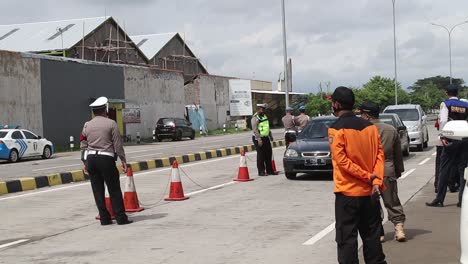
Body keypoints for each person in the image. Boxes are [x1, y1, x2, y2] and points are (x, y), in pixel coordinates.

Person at [328, 87, 386, 264]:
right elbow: (379, 156)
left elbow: (342, 162)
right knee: (372, 237)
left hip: (348, 194)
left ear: (336, 104)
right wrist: (375, 179)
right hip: (370, 193)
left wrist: (367, 176)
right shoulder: (370, 127)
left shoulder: (335, 129)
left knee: (347, 239)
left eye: (332, 102)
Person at [80, 96, 132, 225]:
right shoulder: (111, 123)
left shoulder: (87, 125)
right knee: (114, 189)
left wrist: (85, 162)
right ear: (105, 110)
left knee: (97, 190)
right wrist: (123, 160)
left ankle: (104, 218)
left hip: (91, 159)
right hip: (106, 159)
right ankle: (120, 217)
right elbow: (118, 145)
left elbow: (83, 144)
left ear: (94, 111)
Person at [360, 101, 406, 242]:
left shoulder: (362, 130)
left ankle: (379, 232)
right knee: (392, 200)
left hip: (368, 172)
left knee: (373, 203)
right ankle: (399, 228)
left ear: (367, 116)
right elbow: (397, 154)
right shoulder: (390, 129)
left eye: (361, 114)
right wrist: (398, 170)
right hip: (387, 170)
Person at [427, 85, 468, 207]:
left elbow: (443, 121)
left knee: (444, 169)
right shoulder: (466, 105)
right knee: (462, 171)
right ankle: (462, 200)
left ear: (447, 93)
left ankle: (439, 199)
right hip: (465, 139)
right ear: (457, 93)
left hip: (450, 139)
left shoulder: (446, 104)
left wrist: (442, 136)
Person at [251, 103, 278, 176]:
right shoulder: (255, 118)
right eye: (261, 109)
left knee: (268, 154)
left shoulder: (265, 116)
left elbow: (267, 127)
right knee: (261, 155)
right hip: (258, 138)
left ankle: (270, 170)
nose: (263, 110)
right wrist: (259, 139)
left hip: (266, 137)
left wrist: (270, 135)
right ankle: (261, 171)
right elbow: (255, 129)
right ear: (258, 109)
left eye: (263, 109)